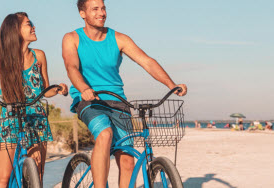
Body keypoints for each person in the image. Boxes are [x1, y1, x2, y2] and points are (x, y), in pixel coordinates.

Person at [62, 0, 188, 187]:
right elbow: (71, 67)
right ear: (83, 13)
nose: (101, 12)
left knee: (127, 160)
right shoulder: (72, 38)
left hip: (118, 101)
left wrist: (171, 84)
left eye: (103, 8)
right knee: (104, 134)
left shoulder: (119, 38)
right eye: (95, 9)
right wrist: (84, 89)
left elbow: (147, 61)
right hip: (89, 101)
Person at [0, 12, 68, 188]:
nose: (33, 26)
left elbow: (45, 90)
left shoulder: (39, 56)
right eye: (28, 23)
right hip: (10, 119)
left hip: (37, 118)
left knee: (36, 178)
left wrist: (58, 89)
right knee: (2, 179)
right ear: (15, 31)